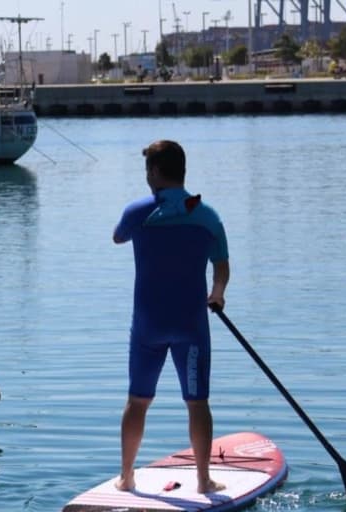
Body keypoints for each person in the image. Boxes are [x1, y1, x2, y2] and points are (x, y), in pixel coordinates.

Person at [112, 140, 230, 494]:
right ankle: (204, 480)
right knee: (197, 403)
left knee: (137, 401)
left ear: (154, 172)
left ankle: (127, 477)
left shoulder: (137, 212)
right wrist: (218, 293)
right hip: (191, 326)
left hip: (148, 326)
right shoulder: (208, 215)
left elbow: (118, 237)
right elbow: (221, 266)